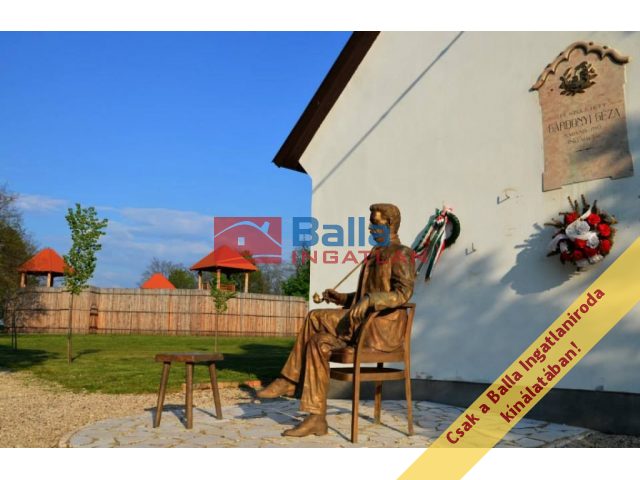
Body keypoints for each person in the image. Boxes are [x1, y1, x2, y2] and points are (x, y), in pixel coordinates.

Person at [257, 203, 415, 437]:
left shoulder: (402, 253)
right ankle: (316, 419)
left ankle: (289, 379)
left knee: (314, 317)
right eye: (370, 223)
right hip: (362, 325)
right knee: (318, 342)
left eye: (375, 223)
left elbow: (403, 293)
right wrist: (341, 297)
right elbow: (362, 298)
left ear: (390, 224)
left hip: (380, 330)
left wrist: (370, 300)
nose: (370, 228)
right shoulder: (375, 254)